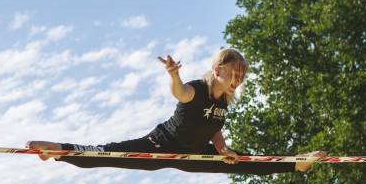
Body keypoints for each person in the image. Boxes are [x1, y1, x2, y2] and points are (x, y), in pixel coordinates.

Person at [27, 48, 325, 172]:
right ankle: (59, 149)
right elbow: (180, 93)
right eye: (234, 74)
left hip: (193, 154)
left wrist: (222, 149)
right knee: (109, 153)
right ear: (218, 69)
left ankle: (297, 163)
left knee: (244, 162)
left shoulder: (223, 102)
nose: (238, 80)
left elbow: (214, 126)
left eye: (242, 76)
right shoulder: (196, 88)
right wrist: (173, 75)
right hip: (161, 146)